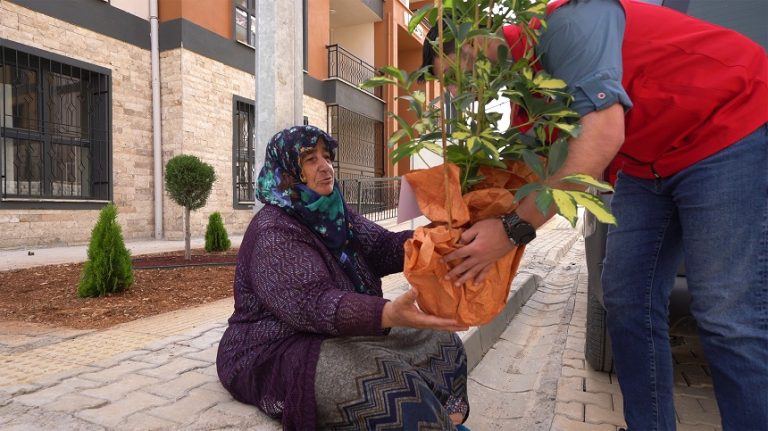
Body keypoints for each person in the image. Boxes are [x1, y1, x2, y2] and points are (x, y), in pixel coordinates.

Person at [422, 0, 768, 430]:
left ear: (475, 41)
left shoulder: (568, 23)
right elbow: (540, 180)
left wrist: (511, 231)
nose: (461, 93)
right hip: (649, 165)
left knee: (724, 314)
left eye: (455, 76)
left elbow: (600, 139)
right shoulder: (528, 105)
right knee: (624, 300)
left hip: (726, 130)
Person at [216, 125, 471, 430]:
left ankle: (448, 422)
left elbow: (383, 247)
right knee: (386, 381)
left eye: (327, 156)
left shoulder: (335, 215)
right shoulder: (272, 229)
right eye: (310, 159)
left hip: (334, 332)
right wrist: (387, 313)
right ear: (286, 172)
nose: (325, 167)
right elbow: (312, 303)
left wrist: (437, 240)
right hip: (276, 348)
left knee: (442, 342)